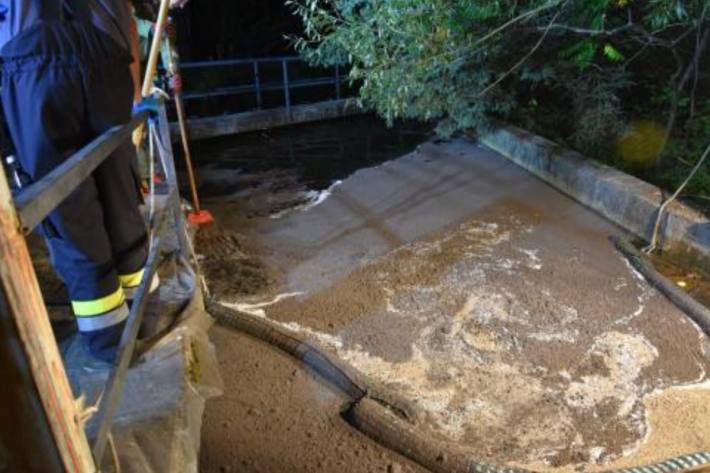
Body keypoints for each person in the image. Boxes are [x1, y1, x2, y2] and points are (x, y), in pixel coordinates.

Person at [0, 0, 155, 362]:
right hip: (105, 60)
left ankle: (109, 342)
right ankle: (144, 315)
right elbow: (129, 20)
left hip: (31, 65)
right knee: (120, 192)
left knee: (68, 209)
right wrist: (133, 96)